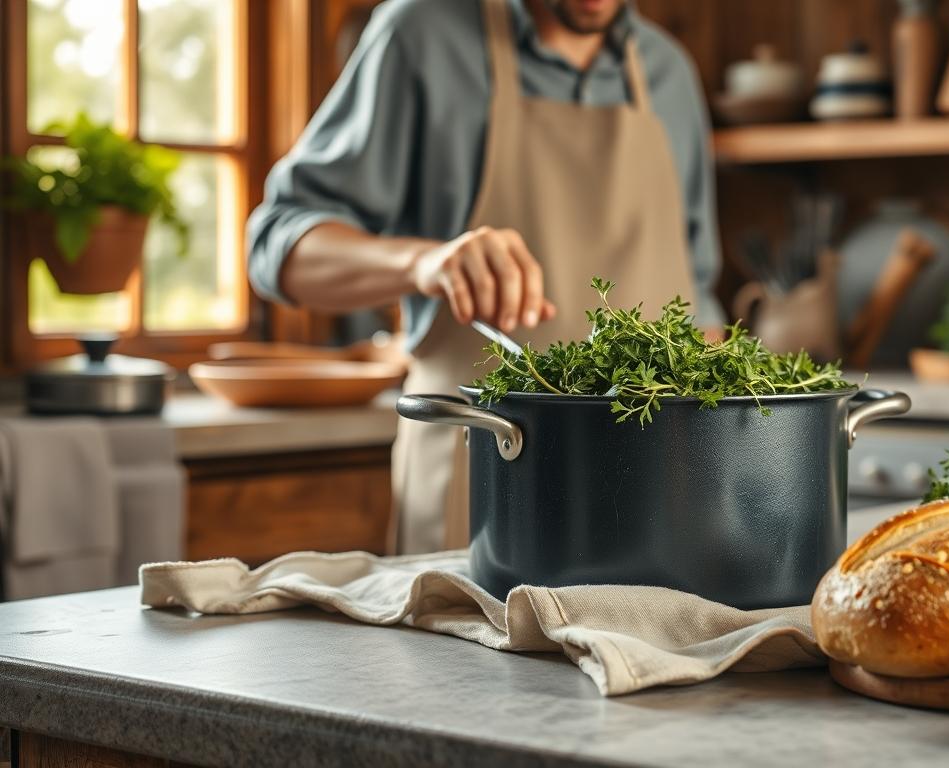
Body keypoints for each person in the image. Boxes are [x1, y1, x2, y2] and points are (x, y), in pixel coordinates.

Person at [247, 0, 723, 553]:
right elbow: (277, 244)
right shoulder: (420, 36)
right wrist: (424, 263)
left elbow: (699, 302)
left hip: (649, 496)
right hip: (476, 480)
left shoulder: (670, 73)